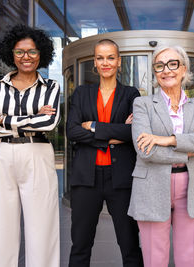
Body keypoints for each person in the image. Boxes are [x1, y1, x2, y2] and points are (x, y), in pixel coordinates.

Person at [0, 24, 60, 267]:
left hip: (37, 152)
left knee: (42, 226)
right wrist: (31, 119)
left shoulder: (51, 87)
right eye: (19, 52)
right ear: (11, 54)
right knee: (0, 226)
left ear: (41, 53)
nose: (26, 57)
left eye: (32, 52)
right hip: (1, 153)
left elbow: (49, 123)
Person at [128, 45, 194, 267]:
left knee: (188, 255)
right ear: (155, 72)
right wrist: (191, 149)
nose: (166, 70)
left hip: (191, 183)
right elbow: (144, 150)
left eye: (172, 64)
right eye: (159, 66)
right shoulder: (142, 104)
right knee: (154, 256)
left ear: (183, 69)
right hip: (152, 183)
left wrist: (168, 139)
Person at [66, 39, 143, 267]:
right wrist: (112, 136)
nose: (105, 62)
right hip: (86, 177)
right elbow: (71, 131)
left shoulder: (131, 94)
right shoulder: (82, 92)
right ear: (95, 63)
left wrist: (93, 126)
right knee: (80, 244)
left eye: (110, 57)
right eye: (100, 58)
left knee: (129, 244)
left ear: (119, 62)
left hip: (121, 178)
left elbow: (133, 132)